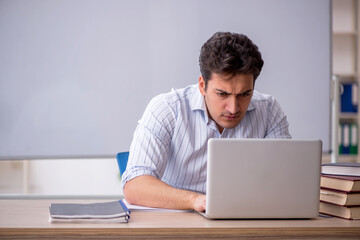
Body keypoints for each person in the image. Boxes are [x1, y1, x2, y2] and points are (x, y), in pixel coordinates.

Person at [121, 32, 291, 212]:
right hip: (177, 223)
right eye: (222, 94)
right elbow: (135, 186)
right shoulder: (167, 109)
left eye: (244, 94)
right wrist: (197, 201)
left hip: (245, 221)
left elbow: (285, 181)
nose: (233, 108)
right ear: (202, 85)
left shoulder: (269, 110)